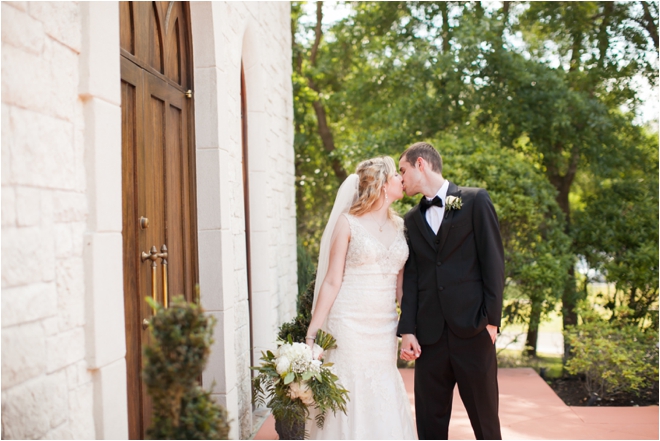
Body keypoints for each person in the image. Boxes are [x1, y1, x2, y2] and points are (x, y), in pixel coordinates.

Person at [397, 142, 504, 440]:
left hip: (473, 331)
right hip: (430, 340)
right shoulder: (410, 220)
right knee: (429, 426)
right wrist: (409, 330)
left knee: (486, 423)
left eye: (403, 170)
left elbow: (493, 263)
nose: (400, 178)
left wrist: (492, 321)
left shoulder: (474, 201)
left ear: (421, 164)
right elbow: (413, 280)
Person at [306, 156, 416, 440]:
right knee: (351, 389)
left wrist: (409, 329)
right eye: (396, 176)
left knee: (382, 390)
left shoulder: (401, 225)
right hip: (349, 321)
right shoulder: (348, 223)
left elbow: (401, 289)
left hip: (384, 326)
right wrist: (311, 335)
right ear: (382, 185)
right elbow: (331, 280)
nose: (401, 179)